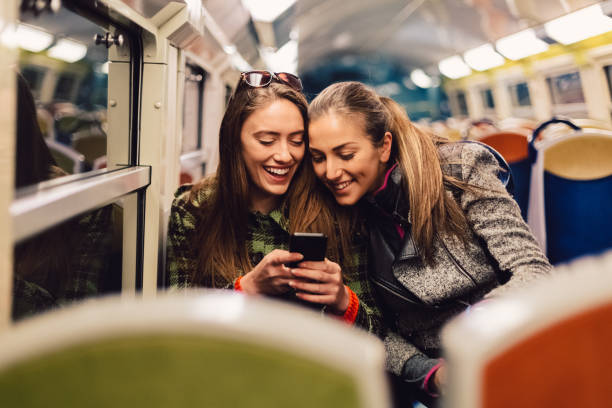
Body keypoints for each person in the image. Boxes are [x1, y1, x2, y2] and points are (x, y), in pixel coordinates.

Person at [306, 81, 552, 406]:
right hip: (429, 378)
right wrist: (430, 373)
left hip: (507, 342)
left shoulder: (460, 170)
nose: (331, 171)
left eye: (346, 154)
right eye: (318, 158)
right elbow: (371, 326)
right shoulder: (334, 215)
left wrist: (479, 327)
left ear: (383, 146)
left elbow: (532, 269)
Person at [165, 72, 381, 329]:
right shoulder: (194, 208)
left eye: (297, 141)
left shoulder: (336, 207)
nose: (284, 155)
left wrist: (344, 301)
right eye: (267, 141)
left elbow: (378, 333)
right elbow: (178, 320)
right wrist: (247, 289)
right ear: (235, 140)